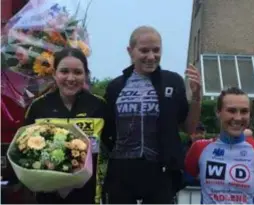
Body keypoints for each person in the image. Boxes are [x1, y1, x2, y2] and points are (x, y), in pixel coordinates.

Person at [101, 25, 202, 204]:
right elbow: (106, 128)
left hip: (160, 170)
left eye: (156, 50)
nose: (151, 56)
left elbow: (189, 128)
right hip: (122, 168)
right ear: (130, 51)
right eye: (144, 50)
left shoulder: (173, 81)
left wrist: (196, 97)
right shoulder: (116, 86)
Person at [24, 47, 106, 204]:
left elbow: (110, 147)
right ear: (54, 73)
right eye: (64, 71)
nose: (71, 78)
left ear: (86, 75)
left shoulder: (99, 106)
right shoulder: (38, 107)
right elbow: (26, 152)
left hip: (88, 194)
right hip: (47, 195)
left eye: (77, 72)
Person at [185, 87, 254, 204]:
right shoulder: (199, 148)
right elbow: (175, 185)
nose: (238, 118)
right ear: (218, 112)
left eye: (244, 111)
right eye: (231, 111)